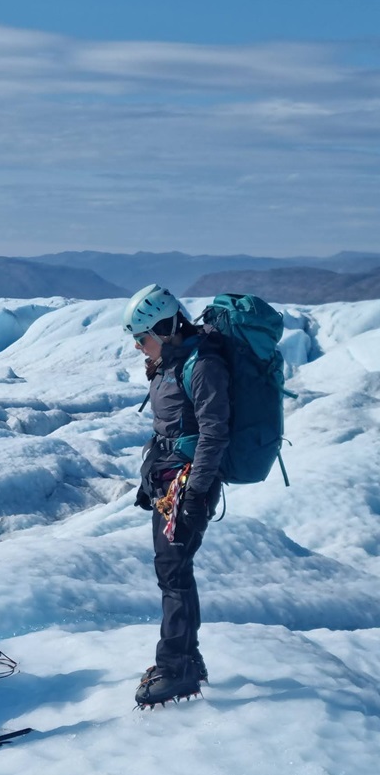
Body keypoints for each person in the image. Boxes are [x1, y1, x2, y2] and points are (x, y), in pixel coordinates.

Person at [124, 284, 230, 707]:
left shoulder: (202, 366)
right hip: (171, 483)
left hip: (187, 486)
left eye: (141, 337)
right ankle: (187, 657)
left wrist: (194, 494)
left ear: (165, 328)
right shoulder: (172, 362)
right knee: (175, 572)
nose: (137, 347)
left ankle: (176, 668)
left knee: (173, 575)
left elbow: (214, 432)